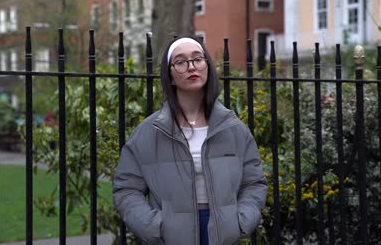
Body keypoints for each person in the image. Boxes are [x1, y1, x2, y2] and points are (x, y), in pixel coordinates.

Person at [113, 36, 267, 245]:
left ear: (207, 67)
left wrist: (239, 221)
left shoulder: (234, 129)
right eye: (180, 61)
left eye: (198, 59)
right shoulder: (149, 132)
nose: (191, 66)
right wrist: (154, 226)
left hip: (221, 233)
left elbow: (254, 183)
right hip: (172, 236)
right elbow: (126, 188)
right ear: (170, 75)